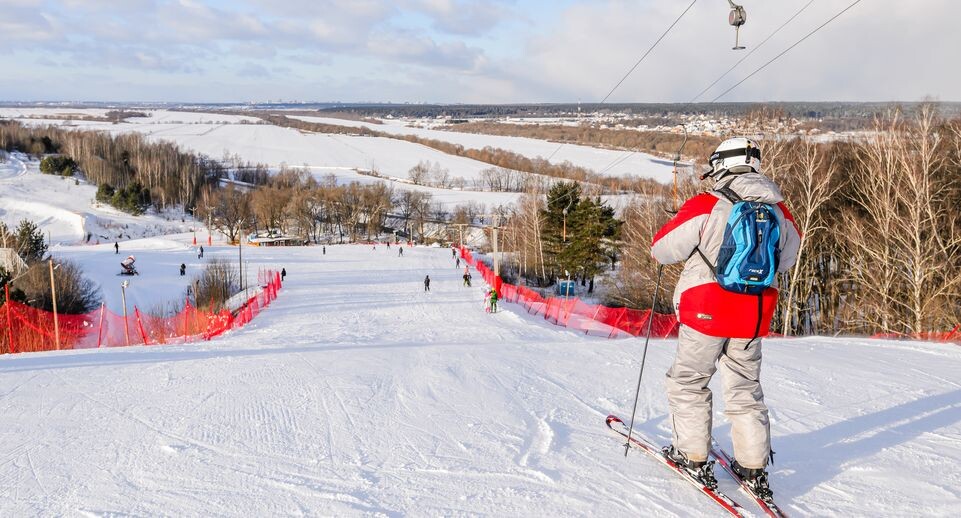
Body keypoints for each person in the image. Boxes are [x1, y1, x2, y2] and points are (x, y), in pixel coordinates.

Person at [651, 137, 800, 497]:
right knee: (745, 389)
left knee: (689, 381)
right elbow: (788, 258)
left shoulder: (708, 204)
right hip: (754, 314)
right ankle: (753, 468)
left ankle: (692, 456)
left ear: (722, 164)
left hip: (706, 310)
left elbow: (661, 249)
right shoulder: (781, 211)